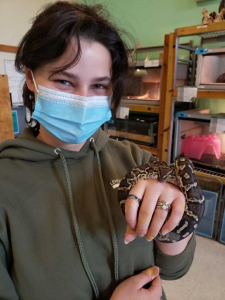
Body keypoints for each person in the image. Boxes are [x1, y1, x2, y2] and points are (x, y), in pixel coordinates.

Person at [0, 2, 199, 300]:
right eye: (64, 81)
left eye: (99, 86)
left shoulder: (138, 161)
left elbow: (172, 268)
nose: (82, 100)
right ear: (30, 77)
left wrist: (176, 218)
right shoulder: (6, 182)